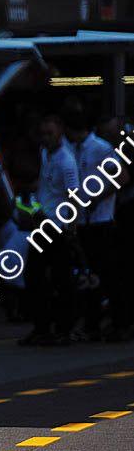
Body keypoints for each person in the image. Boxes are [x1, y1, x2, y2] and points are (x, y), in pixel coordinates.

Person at [20, 114, 79, 346]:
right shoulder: (45, 153)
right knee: (34, 276)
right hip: (42, 222)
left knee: (61, 278)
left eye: (50, 133)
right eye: (43, 134)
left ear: (60, 132)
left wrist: (71, 228)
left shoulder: (66, 161)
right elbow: (45, 186)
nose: (46, 138)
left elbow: (74, 196)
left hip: (57, 226)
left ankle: (64, 328)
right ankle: (42, 327)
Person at [65, 111, 119, 341]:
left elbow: (120, 178)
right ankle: (91, 321)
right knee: (87, 274)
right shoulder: (71, 149)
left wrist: (97, 198)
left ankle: (104, 320)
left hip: (100, 219)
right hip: (82, 220)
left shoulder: (100, 148)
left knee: (102, 272)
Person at [99, 116, 133, 340]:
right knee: (118, 271)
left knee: (125, 271)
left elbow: (123, 180)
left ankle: (124, 322)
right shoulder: (111, 153)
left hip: (127, 214)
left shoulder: (125, 153)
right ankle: (120, 320)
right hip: (118, 216)